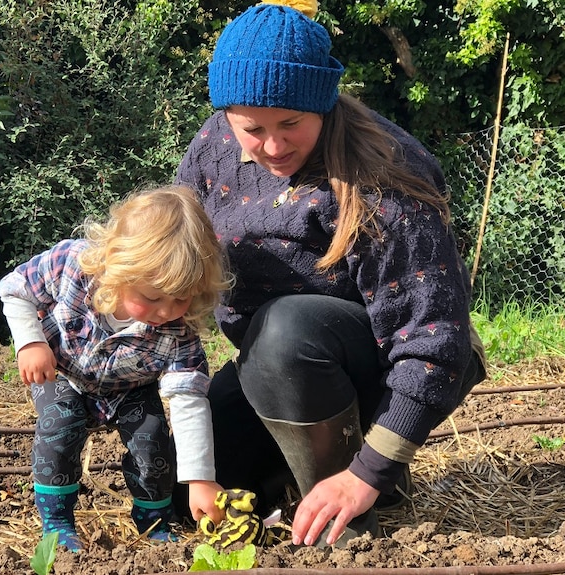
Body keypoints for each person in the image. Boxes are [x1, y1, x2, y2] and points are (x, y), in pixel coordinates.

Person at [173, 0, 488, 549]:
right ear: (227, 116)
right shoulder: (214, 146)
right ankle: (309, 474)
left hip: (389, 361)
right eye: (253, 128)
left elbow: (434, 342)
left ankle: (355, 501)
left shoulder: (385, 172)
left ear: (322, 103)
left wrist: (365, 476)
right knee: (189, 490)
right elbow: (178, 255)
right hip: (274, 369)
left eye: (291, 124)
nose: (273, 146)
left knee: (284, 330)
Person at [0, 185, 232, 551]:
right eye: (152, 297)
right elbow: (15, 288)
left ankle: (153, 520)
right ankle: (57, 522)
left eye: (181, 298)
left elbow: (188, 404)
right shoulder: (72, 266)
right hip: (64, 374)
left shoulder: (179, 335)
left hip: (130, 389)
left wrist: (200, 479)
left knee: (152, 438)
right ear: (117, 269)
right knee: (60, 427)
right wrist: (31, 343)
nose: (167, 311)